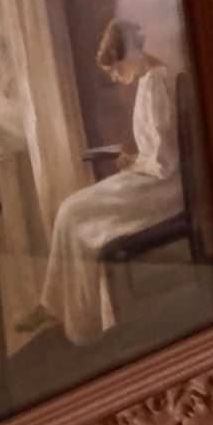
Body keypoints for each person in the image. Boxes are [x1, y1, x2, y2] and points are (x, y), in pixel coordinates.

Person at [29, 19, 187, 346]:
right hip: (150, 177)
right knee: (71, 210)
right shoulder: (148, 80)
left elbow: (165, 163)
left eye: (116, 69)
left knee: (73, 211)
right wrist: (134, 159)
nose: (115, 77)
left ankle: (79, 322)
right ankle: (60, 308)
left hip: (163, 188)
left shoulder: (157, 82)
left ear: (130, 55)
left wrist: (133, 162)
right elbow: (158, 148)